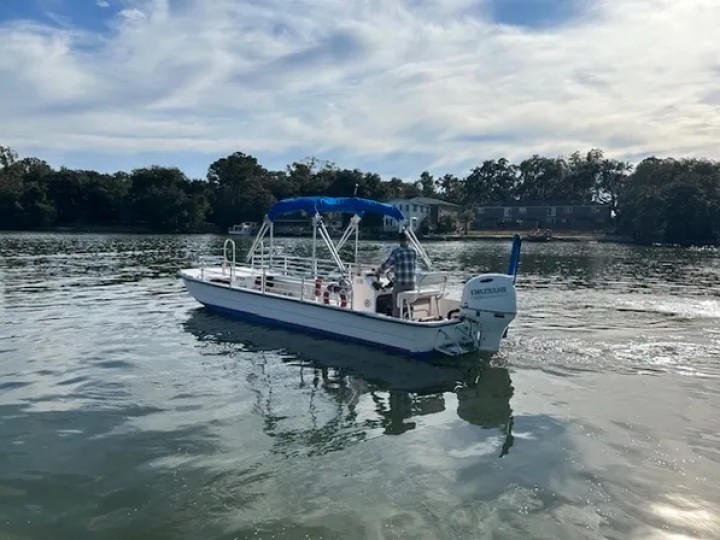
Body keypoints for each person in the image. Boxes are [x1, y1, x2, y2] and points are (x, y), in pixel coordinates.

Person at [375, 231, 417, 318]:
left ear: (400, 241)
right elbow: (408, 265)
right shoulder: (413, 251)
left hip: (400, 285)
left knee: (396, 302)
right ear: (408, 240)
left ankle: (396, 318)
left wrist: (379, 272)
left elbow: (386, 265)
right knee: (408, 302)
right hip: (411, 284)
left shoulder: (397, 252)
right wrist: (394, 269)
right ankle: (409, 317)